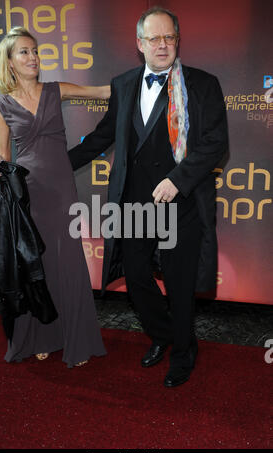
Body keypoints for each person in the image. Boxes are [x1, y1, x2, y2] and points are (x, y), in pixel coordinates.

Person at [68, 6, 228, 386]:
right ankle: (164, 336)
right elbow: (104, 135)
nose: (162, 44)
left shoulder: (203, 84)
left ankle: (184, 354)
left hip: (181, 202)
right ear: (139, 44)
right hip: (134, 203)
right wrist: (60, 162)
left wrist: (178, 179)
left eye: (169, 37)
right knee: (136, 277)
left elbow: (214, 143)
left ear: (177, 40)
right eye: (154, 38)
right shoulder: (123, 84)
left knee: (178, 282)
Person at [0, 26, 108, 367]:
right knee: (37, 266)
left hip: (61, 189)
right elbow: (3, 156)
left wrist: (147, 79)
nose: (33, 57)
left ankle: (75, 339)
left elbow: (101, 91)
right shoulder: (1, 104)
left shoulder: (57, 90)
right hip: (30, 193)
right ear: (10, 62)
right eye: (24, 52)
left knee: (68, 262)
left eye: (34, 50)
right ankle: (43, 336)